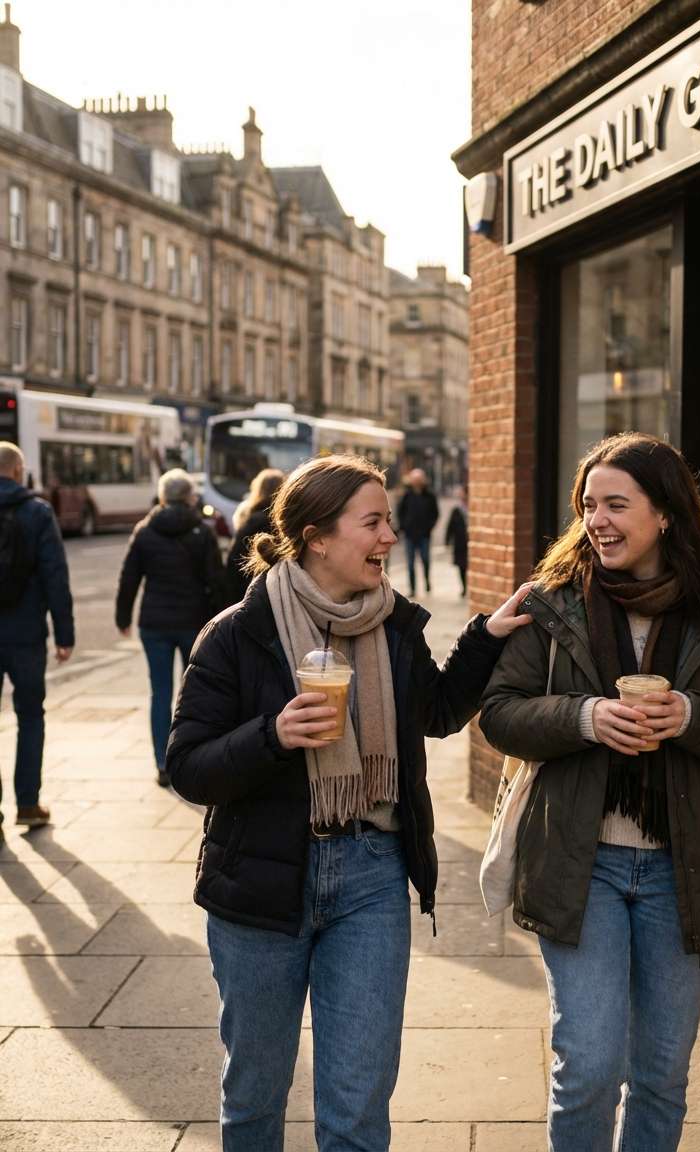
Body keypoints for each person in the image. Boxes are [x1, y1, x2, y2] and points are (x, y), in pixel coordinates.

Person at [165, 454, 531, 1152]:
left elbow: (440, 710)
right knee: (253, 1098)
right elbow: (187, 768)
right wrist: (271, 735)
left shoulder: (391, 627)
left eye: (390, 521)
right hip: (261, 885)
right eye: (373, 522)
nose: (389, 537)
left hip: (370, 875)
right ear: (317, 537)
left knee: (358, 1109)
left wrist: (487, 637)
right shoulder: (238, 635)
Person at [480, 432, 700, 1152]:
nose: (598, 520)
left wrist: (690, 715)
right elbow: (499, 713)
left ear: (666, 515)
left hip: (684, 870)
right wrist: (584, 717)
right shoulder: (554, 604)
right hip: (579, 864)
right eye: (588, 505)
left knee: (659, 1074)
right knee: (587, 1067)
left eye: (616, 504)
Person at [116, 468, 225, 788]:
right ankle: (188, 756)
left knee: (159, 692)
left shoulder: (145, 531)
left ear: (163, 496)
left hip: (155, 623)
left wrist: (123, 617)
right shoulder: (200, 531)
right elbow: (215, 580)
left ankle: (162, 763)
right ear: (190, 497)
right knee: (191, 693)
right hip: (193, 622)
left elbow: (129, 578)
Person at [0, 442, 74, 841]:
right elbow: (54, 577)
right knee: (30, 716)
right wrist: (65, 634)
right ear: (17, 471)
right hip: (26, 633)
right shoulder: (37, 512)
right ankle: (28, 804)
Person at [226, 467, 285, 602]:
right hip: (280, 596)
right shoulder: (285, 523)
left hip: (247, 596)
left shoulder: (249, 520)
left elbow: (233, 564)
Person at [397, 467, 438, 594]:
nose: (417, 482)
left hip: (424, 535)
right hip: (410, 535)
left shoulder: (430, 496)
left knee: (425, 560)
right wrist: (404, 526)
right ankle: (413, 588)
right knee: (410, 563)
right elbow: (400, 512)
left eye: (419, 479)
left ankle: (427, 582)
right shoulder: (406, 495)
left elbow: (435, 513)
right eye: (415, 479)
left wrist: (429, 527)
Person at [444, 486, 468, 596]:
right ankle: (464, 587)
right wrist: (447, 540)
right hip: (460, 542)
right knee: (461, 566)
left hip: (469, 542)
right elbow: (451, 526)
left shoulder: (473, 507)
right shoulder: (457, 509)